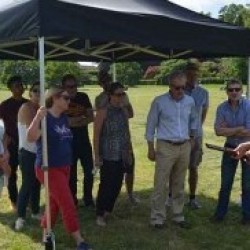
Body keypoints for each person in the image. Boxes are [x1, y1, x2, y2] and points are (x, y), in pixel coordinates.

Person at [27, 87, 91, 250]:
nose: (69, 100)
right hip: (48, 168)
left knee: (54, 203)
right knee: (67, 202)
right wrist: (36, 118)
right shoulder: (44, 117)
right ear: (55, 98)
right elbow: (31, 137)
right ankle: (79, 241)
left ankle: (45, 236)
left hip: (64, 167)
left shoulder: (63, 117)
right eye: (66, 98)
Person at [146, 70, 197, 229]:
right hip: (165, 146)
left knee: (179, 184)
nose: (180, 91)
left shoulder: (189, 101)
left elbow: (194, 121)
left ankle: (178, 215)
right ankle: (157, 218)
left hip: (184, 146)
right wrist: (150, 148)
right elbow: (150, 126)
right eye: (176, 87)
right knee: (160, 184)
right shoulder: (159, 102)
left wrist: (192, 138)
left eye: (183, 87)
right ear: (170, 86)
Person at [95, 71, 139, 205]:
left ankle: (128, 195)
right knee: (108, 180)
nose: (106, 82)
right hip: (109, 149)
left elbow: (129, 119)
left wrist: (124, 105)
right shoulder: (101, 101)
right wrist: (97, 155)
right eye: (103, 81)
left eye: (107, 79)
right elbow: (98, 132)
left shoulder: (122, 102)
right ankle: (102, 208)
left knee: (125, 173)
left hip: (123, 146)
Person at [211, 79, 250, 224]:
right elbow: (217, 130)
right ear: (227, 91)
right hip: (229, 148)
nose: (234, 92)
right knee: (225, 183)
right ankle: (219, 215)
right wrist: (239, 129)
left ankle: (247, 216)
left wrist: (228, 130)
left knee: (247, 185)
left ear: (241, 90)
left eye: (237, 89)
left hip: (248, 149)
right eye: (231, 90)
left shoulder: (248, 106)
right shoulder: (221, 108)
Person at [94, 82, 132, 226]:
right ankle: (100, 213)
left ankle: (108, 210)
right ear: (110, 95)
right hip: (108, 154)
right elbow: (96, 135)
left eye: (123, 94)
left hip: (121, 153)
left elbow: (126, 132)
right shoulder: (103, 112)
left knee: (117, 183)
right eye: (118, 94)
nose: (121, 97)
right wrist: (96, 156)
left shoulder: (123, 110)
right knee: (106, 184)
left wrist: (128, 150)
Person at [62, 74, 94, 207]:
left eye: (74, 85)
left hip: (84, 141)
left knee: (89, 171)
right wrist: (77, 120)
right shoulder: (60, 100)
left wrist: (75, 122)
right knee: (72, 174)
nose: (73, 89)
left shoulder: (83, 97)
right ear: (63, 87)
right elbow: (60, 121)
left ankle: (88, 198)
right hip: (68, 142)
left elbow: (91, 116)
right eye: (69, 86)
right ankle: (72, 199)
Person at [15, 83, 41, 231]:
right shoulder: (26, 107)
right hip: (27, 152)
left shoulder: (40, 108)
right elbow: (34, 128)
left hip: (38, 152)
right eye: (35, 91)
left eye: (40, 91)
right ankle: (20, 216)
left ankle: (35, 211)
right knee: (27, 183)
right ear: (30, 93)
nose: (38, 94)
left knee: (37, 183)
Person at [0, 76, 28, 210]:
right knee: (12, 174)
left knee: (28, 173)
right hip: (12, 143)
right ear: (10, 89)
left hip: (27, 144)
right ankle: (14, 201)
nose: (20, 87)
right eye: (16, 85)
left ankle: (26, 200)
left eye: (21, 85)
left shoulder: (28, 104)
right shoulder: (4, 105)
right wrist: (4, 138)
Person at [184, 62, 209, 209]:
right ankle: (171, 196)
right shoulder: (179, 90)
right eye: (190, 74)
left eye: (195, 74)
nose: (192, 77)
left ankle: (192, 198)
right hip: (180, 135)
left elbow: (204, 113)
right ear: (185, 74)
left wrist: (196, 129)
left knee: (193, 167)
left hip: (197, 136)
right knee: (177, 168)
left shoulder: (204, 92)